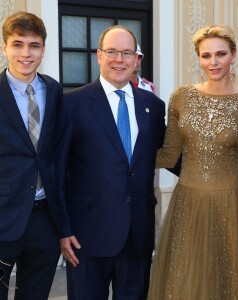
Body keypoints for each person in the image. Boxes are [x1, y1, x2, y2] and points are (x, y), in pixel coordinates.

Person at [147, 24, 238, 299]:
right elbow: (169, 154)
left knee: (230, 281)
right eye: (206, 55)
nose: (213, 62)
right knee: (186, 280)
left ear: (234, 55)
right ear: (198, 58)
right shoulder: (181, 96)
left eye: (221, 54)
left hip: (232, 205)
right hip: (187, 204)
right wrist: (121, 160)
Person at [56, 25, 166, 299]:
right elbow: (57, 171)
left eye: (127, 53)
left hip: (137, 235)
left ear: (136, 59)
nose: (120, 60)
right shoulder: (71, 104)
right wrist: (63, 229)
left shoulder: (153, 106)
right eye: (112, 52)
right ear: (99, 56)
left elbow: (167, 154)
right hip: (86, 237)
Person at [0, 11, 65, 299]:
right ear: (5, 47)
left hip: (44, 219)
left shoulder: (54, 90)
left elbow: (57, 152)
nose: (26, 53)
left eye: (34, 45)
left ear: (43, 50)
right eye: (17, 44)